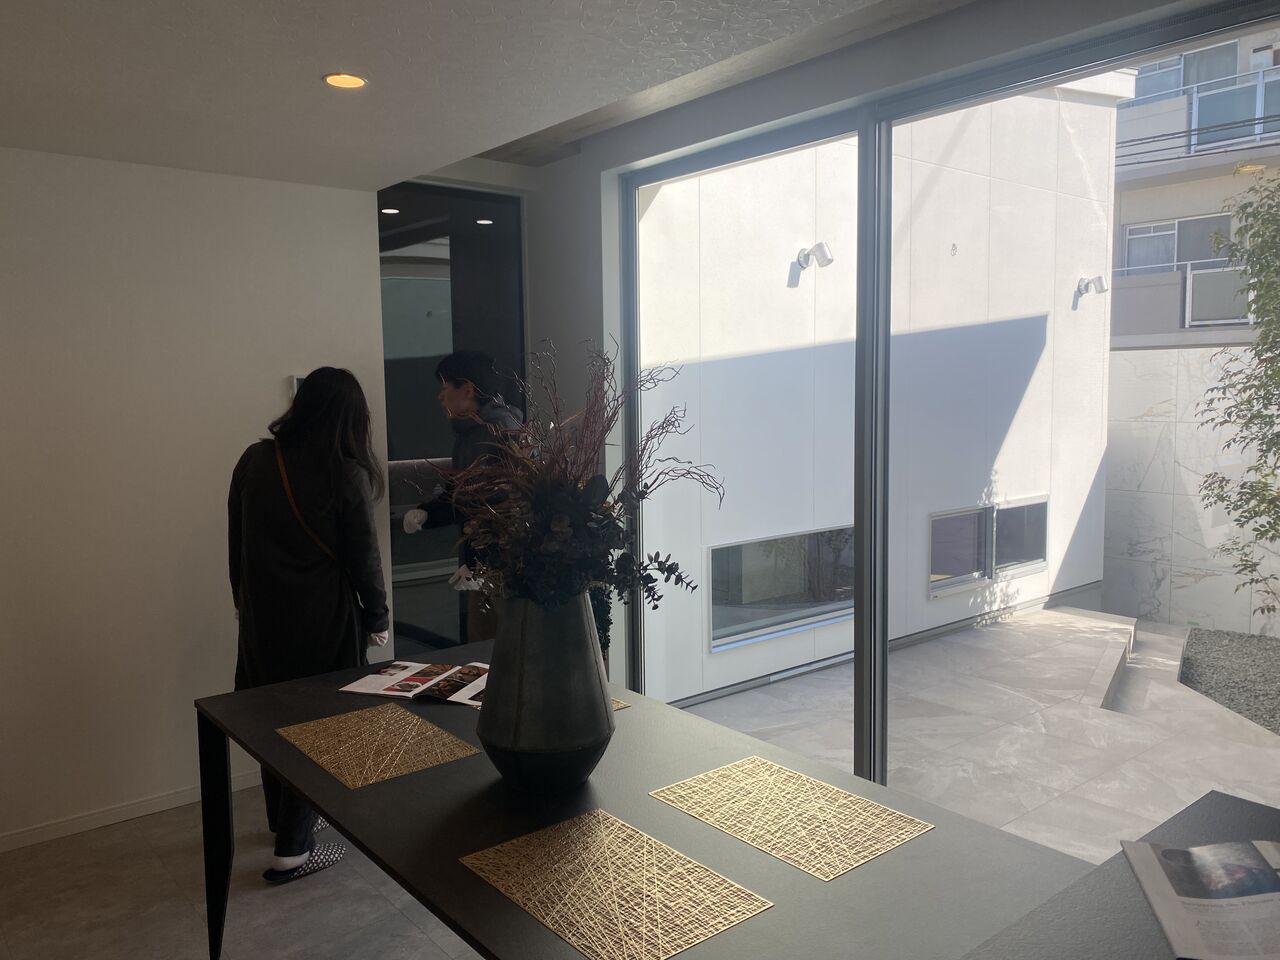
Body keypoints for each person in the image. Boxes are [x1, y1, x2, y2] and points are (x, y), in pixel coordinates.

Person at [228, 366, 389, 884]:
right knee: (319, 727)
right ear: (349, 418)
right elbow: (364, 556)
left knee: (273, 720)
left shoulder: (255, 460)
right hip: (324, 619)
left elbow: (237, 542)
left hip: (262, 619)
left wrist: (242, 601)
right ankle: (293, 851)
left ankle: (283, 822)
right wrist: (378, 616)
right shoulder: (344, 472)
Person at [401, 350, 520, 643]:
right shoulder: (470, 433)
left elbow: (489, 502)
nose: (440, 397)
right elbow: (461, 492)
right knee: (483, 643)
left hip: (501, 567)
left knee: (492, 647)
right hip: (482, 564)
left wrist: (432, 513)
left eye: (445, 388)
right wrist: (428, 512)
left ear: (467, 389)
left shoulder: (499, 431)